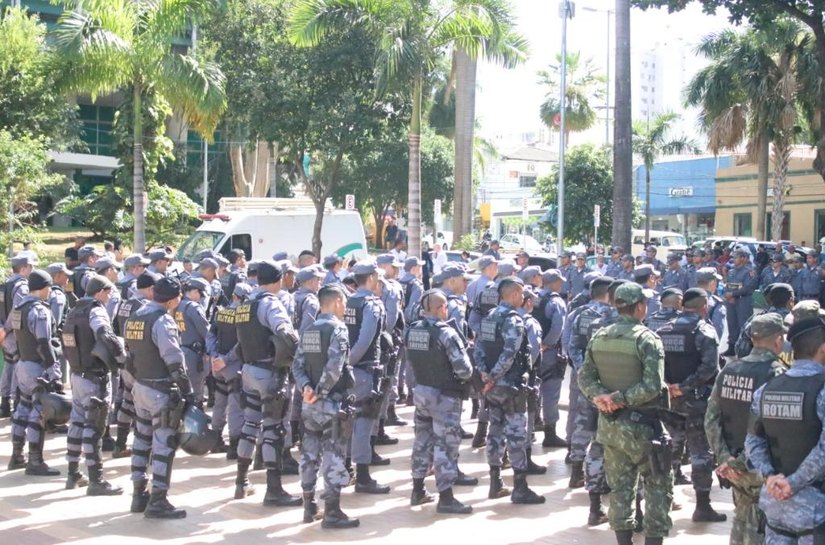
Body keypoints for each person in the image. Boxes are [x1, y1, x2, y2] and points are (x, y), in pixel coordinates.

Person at [579, 282, 672, 545]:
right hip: (644, 429)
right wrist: (619, 399)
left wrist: (601, 398)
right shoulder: (647, 340)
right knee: (658, 487)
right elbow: (652, 386)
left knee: (620, 489)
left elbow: (584, 376)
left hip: (610, 427)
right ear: (640, 306)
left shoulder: (600, 336)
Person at [705, 313, 786, 545]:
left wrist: (725, 459)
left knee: (741, 521)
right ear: (778, 340)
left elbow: (711, 419)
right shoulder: (777, 374)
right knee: (761, 530)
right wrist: (737, 462)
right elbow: (771, 427)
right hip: (760, 469)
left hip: (732, 468)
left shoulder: (729, 370)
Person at [745, 317, 825, 544]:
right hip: (815, 509)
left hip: (774, 503)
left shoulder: (766, 390)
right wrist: (793, 482)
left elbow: (752, 442)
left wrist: (771, 477)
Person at [232, 260, 302, 507]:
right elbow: (285, 331)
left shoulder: (245, 304)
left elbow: (239, 341)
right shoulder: (270, 303)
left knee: (249, 425)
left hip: (248, 371)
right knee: (273, 430)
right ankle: (274, 490)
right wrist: (299, 354)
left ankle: (241, 482)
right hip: (269, 373)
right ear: (279, 279)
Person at [292, 284, 360, 528]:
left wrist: (307, 390)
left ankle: (309, 506)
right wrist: (319, 392)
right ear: (337, 302)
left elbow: (297, 366)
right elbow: (335, 367)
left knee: (309, 455)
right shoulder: (338, 329)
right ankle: (332, 512)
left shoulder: (308, 328)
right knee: (334, 455)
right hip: (331, 404)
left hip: (309, 405)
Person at [656, 288, 727, 522]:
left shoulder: (663, 330)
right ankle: (703, 506)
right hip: (696, 402)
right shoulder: (705, 331)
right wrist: (685, 386)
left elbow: (655, 365)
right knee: (700, 452)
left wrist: (670, 386)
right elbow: (709, 368)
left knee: (670, 448)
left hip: (669, 401)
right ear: (704, 306)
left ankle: (663, 499)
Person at [124, 276, 192, 518]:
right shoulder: (163, 321)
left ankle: (138, 494)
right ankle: (158, 500)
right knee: (164, 445)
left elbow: (128, 357)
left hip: (139, 387)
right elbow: (174, 360)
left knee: (141, 441)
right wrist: (188, 391)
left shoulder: (136, 316)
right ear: (173, 299)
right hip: (160, 391)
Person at [475, 277, 545, 505]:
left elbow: (479, 349)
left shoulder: (489, 316)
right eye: (522, 293)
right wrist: (494, 376)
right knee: (516, 436)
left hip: (492, 388)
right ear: (514, 294)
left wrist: (485, 376)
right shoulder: (514, 320)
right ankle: (520, 487)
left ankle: (495, 483)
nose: (524, 297)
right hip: (510, 386)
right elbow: (510, 353)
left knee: (494, 432)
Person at [406, 289, 475, 514]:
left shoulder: (412, 330)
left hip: (422, 392)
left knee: (421, 441)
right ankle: (445, 497)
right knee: (445, 444)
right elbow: (464, 370)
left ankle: (417, 490)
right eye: (445, 307)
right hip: (444, 396)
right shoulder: (447, 333)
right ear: (439, 308)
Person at [62, 274, 127, 495]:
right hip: (95, 377)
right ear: (99, 292)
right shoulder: (96, 310)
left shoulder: (74, 310)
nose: (109, 297)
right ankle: (96, 480)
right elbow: (105, 333)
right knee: (95, 429)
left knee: (77, 424)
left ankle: (73, 473)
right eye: (108, 292)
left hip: (77, 375)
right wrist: (121, 357)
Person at [564, 276, 615, 525]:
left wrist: (583, 369)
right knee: (604, 437)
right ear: (609, 293)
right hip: (610, 384)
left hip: (583, 379)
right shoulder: (615, 316)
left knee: (582, 424)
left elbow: (570, 344)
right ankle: (604, 482)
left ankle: (576, 472)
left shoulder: (577, 314)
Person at [342, 260, 391, 494]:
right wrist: (350, 362)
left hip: (349, 371)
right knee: (363, 423)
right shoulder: (372, 304)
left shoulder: (349, 300)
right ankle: (362, 476)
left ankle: (346, 470)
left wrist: (343, 365)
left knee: (348, 421)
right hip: (364, 370)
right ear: (371, 278)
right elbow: (366, 339)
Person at [7, 269, 62, 476]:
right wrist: (54, 370)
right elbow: (44, 343)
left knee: (22, 408)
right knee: (39, 412)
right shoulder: (40, 311)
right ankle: (35, 461)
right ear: (45, 287)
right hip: (38, 366)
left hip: (22, 364)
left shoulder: (19, 307)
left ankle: (17, 455)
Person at [206, 282, 251, 460]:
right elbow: (242, 344)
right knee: (235, 407)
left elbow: (211, 335)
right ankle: (234, 446)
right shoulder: (243, 316)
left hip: (219, 364)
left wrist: (215, 357)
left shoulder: (221, 312)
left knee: (219, 402)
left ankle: (215, 439)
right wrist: (225, 360)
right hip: (233, 365)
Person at [534, 269, 568, 449]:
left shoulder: (532, 296)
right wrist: (547, 344)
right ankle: (550, 433)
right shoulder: (556, 301)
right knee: (550, 391)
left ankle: (529, 430)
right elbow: (558, 328)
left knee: (533, 389)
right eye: (559, 281)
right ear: (553, 282)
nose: (561, 284)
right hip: (549, 352)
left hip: (531, 351)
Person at [0, 254, 35, 418]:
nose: (32, 270)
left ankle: (5, 403)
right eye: (31, 266)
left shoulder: (5, 284)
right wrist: (6, 329)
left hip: (4, 332)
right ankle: (16, 405)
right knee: (18, 368)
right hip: (13, 332)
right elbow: (17, 311)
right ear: (24, 267)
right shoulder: (21, 286)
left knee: (8, 366)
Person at [175, 278, 211, 410]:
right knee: (196, 389)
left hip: (181, 349)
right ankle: (196, 420)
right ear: (195, 291)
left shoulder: (178, 305)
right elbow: (206, 331)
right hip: (194, 354)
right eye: (200, 294)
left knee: (184, 389)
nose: (201, 298)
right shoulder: (193, 307)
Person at [735, 283, 794, 359]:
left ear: (770, 300)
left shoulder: (756, 320)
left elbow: (740, 349)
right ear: (791, 300)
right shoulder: (798, 322)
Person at [725, 249, 758, 356]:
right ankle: (731, 346)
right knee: (731, 324)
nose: (733, 259)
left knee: (743, 324)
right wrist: (728, 295)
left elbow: (748, 288)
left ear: (743, 258)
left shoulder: (749, 272)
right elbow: (728, 285)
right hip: (731, 302)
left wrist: (733, 294)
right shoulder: (731, 271)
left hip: (743, 301)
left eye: (736, 257)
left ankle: (744, 348)